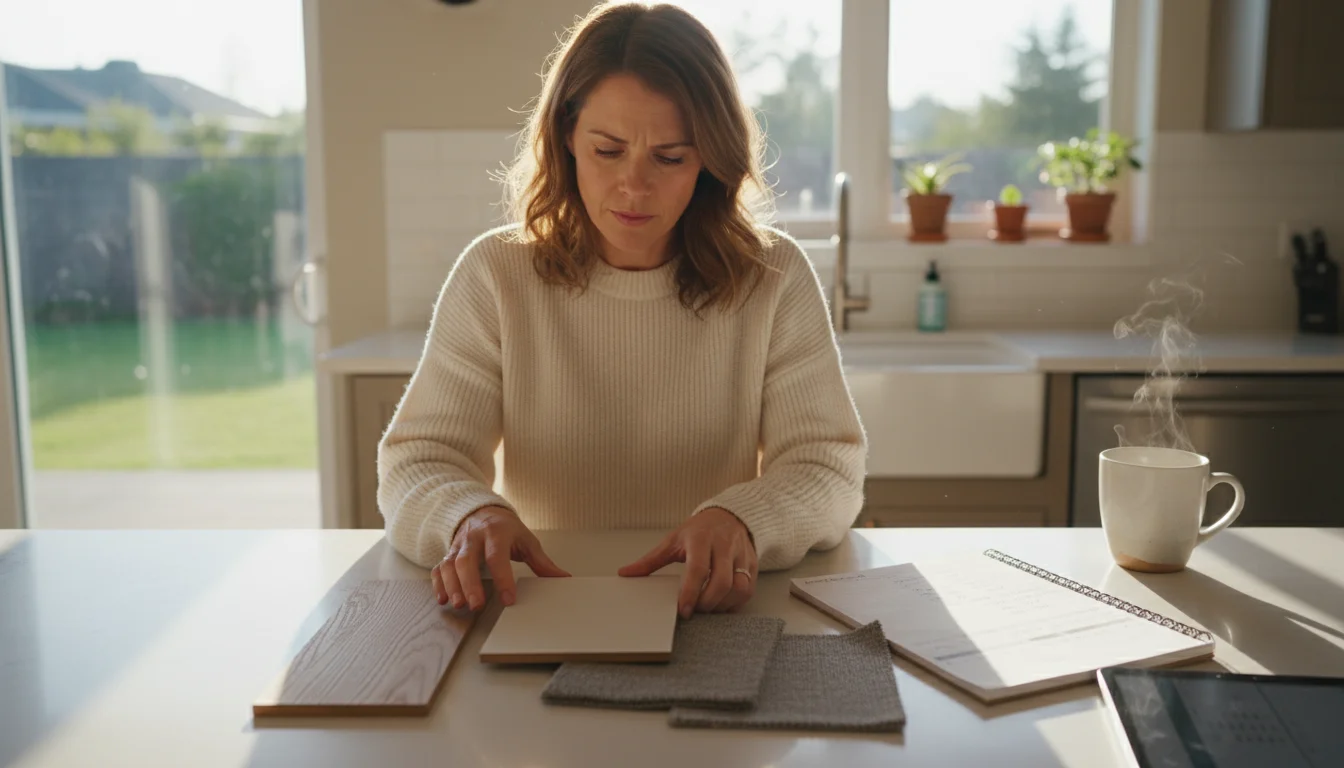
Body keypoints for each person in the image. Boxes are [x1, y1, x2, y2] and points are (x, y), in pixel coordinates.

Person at [377, 1, 866, 621]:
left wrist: (743, 520)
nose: (635, 187)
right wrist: (468, 514)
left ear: (711, 162)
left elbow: (828, 465)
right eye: (608, 151)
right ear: (567, 141)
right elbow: (419, 460)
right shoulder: (495, 275)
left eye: (670, 157)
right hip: (543, 604)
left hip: (716, 610)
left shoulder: (772, 277)